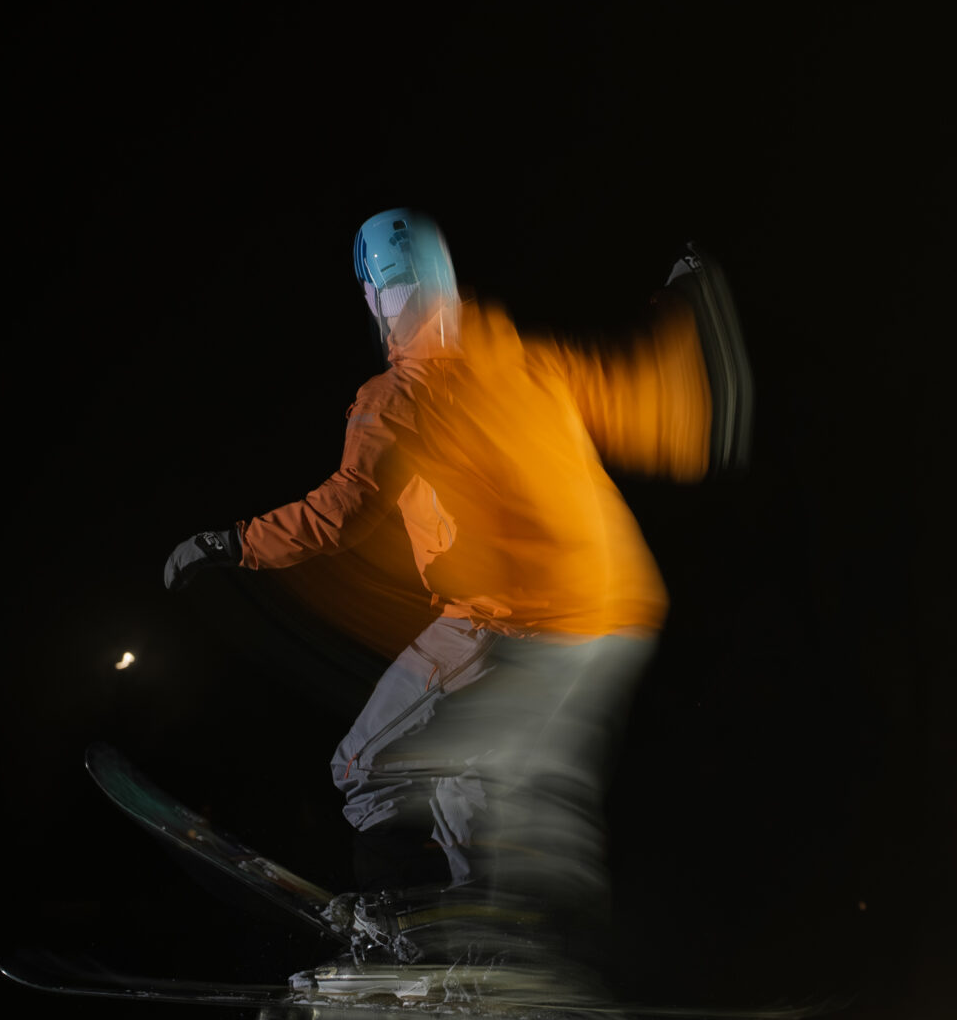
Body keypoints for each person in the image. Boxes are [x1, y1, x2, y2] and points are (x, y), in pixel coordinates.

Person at [164, 210, 749, 975]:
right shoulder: (524, 364)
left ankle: (401, 917)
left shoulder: (398, 396)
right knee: (479, 781)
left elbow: (342, 512)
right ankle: (495, 949)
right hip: (607, 618)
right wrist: (686, 315)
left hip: (504, 621)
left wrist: (231, 543)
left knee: (368, 765)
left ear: (380, 296)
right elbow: (646, 405)